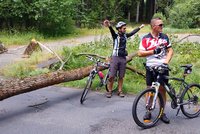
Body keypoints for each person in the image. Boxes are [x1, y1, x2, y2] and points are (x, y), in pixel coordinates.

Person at [138, 18, 173, 124]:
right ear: (154, 26)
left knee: (162, 90)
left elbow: (170, 50)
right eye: (160, 25)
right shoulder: (145, 38)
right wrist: (153, 51)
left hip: (162, 67)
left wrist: (166, 62)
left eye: (162, 25)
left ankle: (162, 113)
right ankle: (148, 110)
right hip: (151, 67)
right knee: (149, 89)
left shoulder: (164, 37)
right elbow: (140, 53)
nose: (162, 26)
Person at [104, 20, 144, 98]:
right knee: (111, 76)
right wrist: (109, 25)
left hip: (123, 58)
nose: (125, 30)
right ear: (119, 29)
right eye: (124, 28)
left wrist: (139, 27)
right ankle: (109, 91)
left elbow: (133, 32)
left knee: (121, 76)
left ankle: (120, 91)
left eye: (125, 28)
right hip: (115, 58)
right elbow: (111, 30)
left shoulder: (125, 36)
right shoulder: (115, 36)